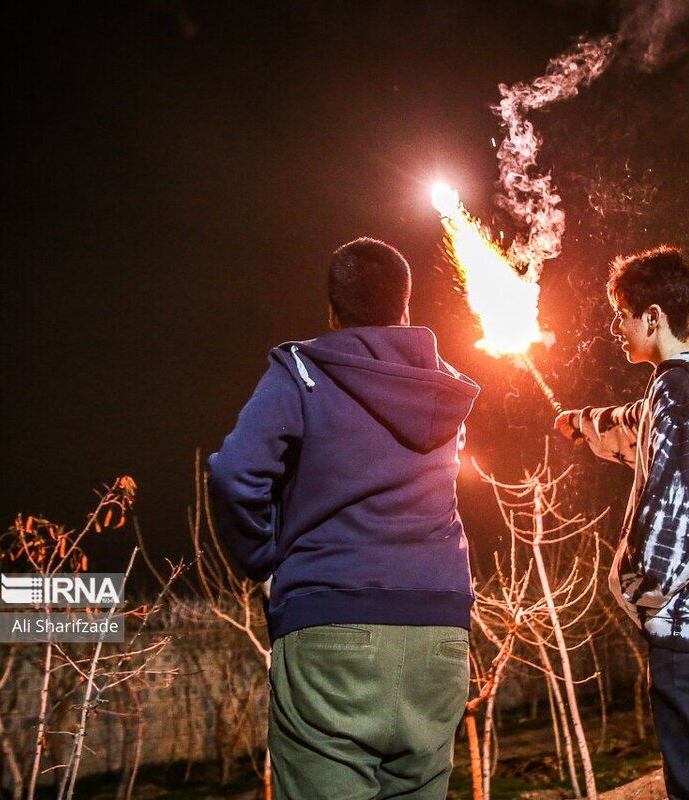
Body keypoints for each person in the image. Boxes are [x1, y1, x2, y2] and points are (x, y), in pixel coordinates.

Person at [208, 237, 480, 800]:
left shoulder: (302, 372)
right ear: (407, 310)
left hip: (330, 629)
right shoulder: (442, 386)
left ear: (331, 312)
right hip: (439, 634)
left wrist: (262, 558)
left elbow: (236, 474)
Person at [554, 246, 689, 800]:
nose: (615, 328)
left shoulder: (673, 391)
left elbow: (672, 517)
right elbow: (638, 426)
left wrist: (635, 590)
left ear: (652, 317)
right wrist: (583, 424)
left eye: (621, 315)